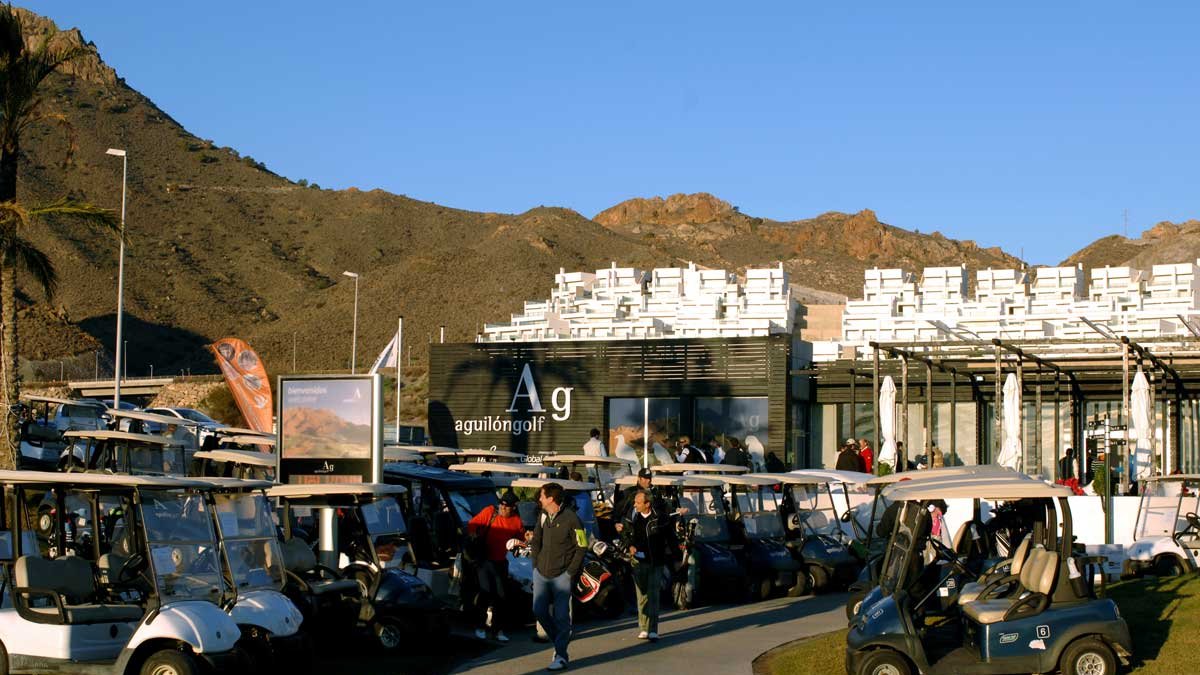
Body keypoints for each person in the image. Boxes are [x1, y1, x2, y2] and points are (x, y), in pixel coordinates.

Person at [530, 483, 588, 671]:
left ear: (551, 499)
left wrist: (569, 572)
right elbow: (536, 541)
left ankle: (561, 655)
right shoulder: (543, 516)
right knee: (539, 611)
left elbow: (582, 546)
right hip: (541, 574)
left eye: (542, 496)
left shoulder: (572, 519)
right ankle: (560, 642)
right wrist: (535, 566)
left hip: (562, 577)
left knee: (562, 617)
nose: (539, 499)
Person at [466, 492, 526, 642]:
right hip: (484, 559)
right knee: (486, 593)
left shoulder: (516, 522)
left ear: (513, 508)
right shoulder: (489, 512)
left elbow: (521, 539)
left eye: (506, 506)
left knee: (501, 596)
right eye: (501, 504)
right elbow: (472, 524)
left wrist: (524, 542)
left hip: (501, 562)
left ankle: (498, 629)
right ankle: (480, 626)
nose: (502, 508)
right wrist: (474, 536)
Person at [620, 490, 669, 641]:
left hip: (655, 562)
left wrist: (676, 557)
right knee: (642, 596)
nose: (635, 505)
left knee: (653, 595)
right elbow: (626, 534)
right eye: (635, 502)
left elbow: (669, 537)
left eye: (638, 502)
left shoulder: (660, 518)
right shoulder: (632, 517)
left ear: (647, 504)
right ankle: (643, 627)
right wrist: (630, 546)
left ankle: (653, 629)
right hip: (638, 562)